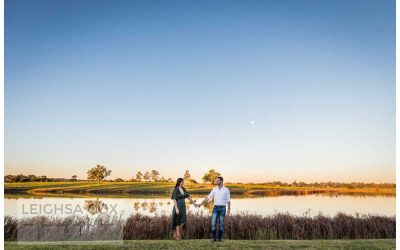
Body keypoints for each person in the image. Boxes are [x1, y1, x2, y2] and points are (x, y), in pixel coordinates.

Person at [198, 176, 231, 242]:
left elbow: (228, 200)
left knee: (221, 224)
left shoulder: (226, 190)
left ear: (221, 181)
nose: (216, 182)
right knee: (213, 223)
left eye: (217, 180)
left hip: (223, 208)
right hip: (215, 208)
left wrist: (229, 210)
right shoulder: (214, 189)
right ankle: (214, 238)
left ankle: (220, 239)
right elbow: (208, 197)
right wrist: (200, 203)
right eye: (216, 180)